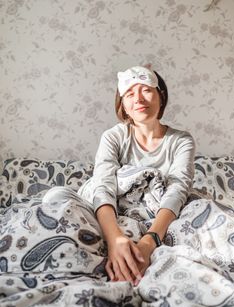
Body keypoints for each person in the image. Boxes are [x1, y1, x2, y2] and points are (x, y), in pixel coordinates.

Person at [43, 65, 195, 286]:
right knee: (54, 198)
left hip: (153, 216)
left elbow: (178, 190)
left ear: (160, 97)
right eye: (130, 93)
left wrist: (149, 242)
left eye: (146, 90)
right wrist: (115, 239)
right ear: (122, 104)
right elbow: (102, 186)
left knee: (203, 211)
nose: (139, 98)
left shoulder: (181, 141)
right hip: (108, 209)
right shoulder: (113, 137)